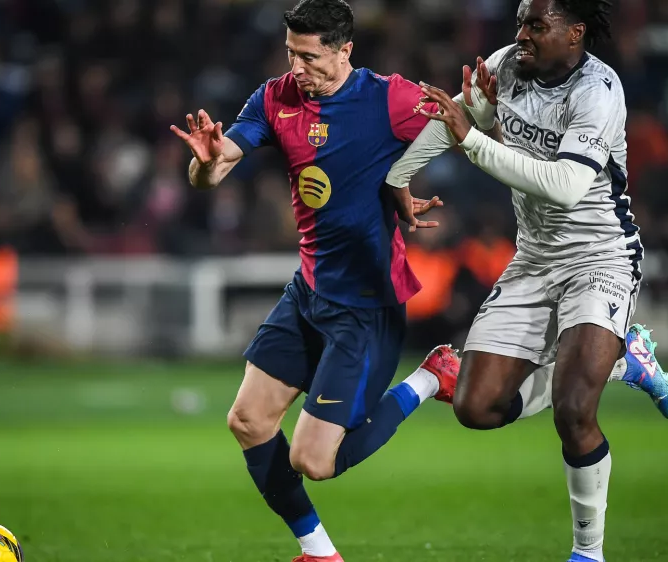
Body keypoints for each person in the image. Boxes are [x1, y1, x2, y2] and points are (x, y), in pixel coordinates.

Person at [384, 0, 668, 560]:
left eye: (536, 25)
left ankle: (587, 553)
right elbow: (457, 120)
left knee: (574, 411)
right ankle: (623, 359)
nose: (521, 34)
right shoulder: (506, 66)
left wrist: (475, 141)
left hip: (600, 257)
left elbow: (565, 185)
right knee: (475, 408)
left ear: (575, 33)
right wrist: (399, 178)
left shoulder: (599, 91)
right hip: (534, 259)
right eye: (520, 21)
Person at [170, 1, 460, 560]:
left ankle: (430, 376)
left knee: (315, 460)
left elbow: (461, 125)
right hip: (309, 292)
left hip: (366, 308)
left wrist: (401, 183)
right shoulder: (276, 97)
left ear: (345, 49)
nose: (298, 68)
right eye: (290, 54)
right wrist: (205, 162)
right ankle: (320, 553)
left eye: (309, 57)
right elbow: (212, 170)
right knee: (249, 421)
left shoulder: (388, 97)